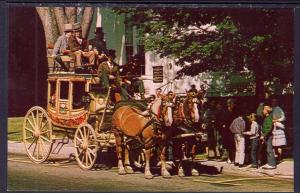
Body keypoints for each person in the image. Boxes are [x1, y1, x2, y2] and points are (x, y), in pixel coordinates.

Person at [221, 98, 238, 164]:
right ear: (229, 104)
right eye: (233, 103)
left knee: (233, 145)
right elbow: (222, 121)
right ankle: (228, 158)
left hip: (233, 130)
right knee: (228, 145)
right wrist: (223, 125)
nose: (234, 105)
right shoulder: (224, 112)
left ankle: (233, 158)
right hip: (226, 131)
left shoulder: (235, 112)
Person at [261, 105, 277, 170]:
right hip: (267, 136)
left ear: (267, 111)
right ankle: (269, 163)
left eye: (263, 110)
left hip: (268, 136)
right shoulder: (267, 117)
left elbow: (269, 128)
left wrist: (264, 135)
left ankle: (272, 164)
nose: (262, 111)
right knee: (268, 150)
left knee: (269, 150)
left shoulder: (269, 118)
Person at [271, 98, 287, 163]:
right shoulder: (271, 109)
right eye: (272, 101)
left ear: (276, 102)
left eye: (274, 102)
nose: (273, 103)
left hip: (278, 127)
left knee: (279, 145)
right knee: (274, 145)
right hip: (273, 127)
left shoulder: (279, 109)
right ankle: (275, 158)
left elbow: (283, 117)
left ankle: (279, 158)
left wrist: (277, 120)